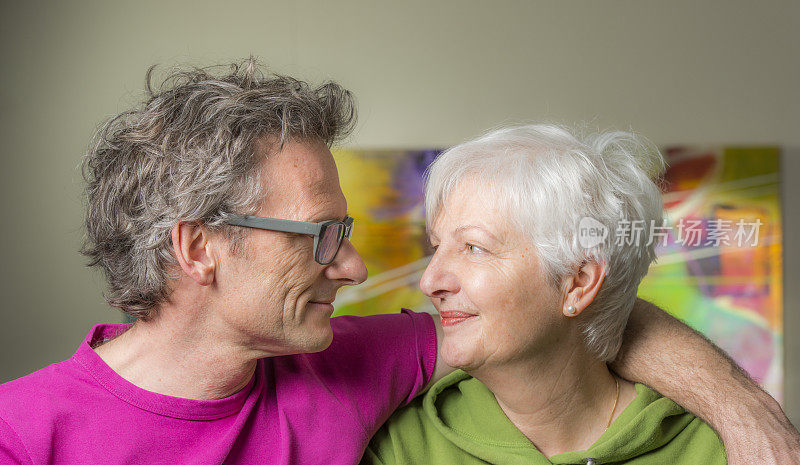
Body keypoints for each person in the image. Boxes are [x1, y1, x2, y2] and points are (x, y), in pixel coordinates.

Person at [0, 60, 796, 464]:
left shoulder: (349, 366)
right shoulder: (23, 435)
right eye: (319, 235)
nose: (352, 269)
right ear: (199, 247)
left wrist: (746, 415)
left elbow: (570, 315)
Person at [362, 125, 797, 464]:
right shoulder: (401, 446)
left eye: (474, 248)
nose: (430, 281)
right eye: (437, 247)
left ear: (578, 283)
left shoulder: (723, 452)